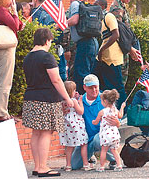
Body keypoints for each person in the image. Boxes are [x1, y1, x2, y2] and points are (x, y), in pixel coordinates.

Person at [22, 28, 74, 177]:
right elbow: (56, 80)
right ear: (46, 40)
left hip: (30, 97)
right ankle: (43, 167)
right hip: (46, 99)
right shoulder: (46, 57)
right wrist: (67, 98)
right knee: (46, 132)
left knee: (36, 133)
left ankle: (37, 166)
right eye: (50, 41)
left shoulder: (28, 58)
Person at [71, 74, 119, 170]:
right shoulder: (79, 101)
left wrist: (117, 123)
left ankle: (113, 159)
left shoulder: (105, 99)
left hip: (101, 135)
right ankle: (91, 158)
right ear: (84, 87)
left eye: (96, 87)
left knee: (100, 139)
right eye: (90, 87)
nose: (94, 90)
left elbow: (118, 121)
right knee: (74, 165)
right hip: (85, 139)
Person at [94, 8, 128, 109]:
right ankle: (107, 109)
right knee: (103, 84)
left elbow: (115, 34)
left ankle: (123, 111)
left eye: (96, 5)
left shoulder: (109, 16)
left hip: (112, 58)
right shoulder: (102, 21)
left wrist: (101, 50)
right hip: (104, 58)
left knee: (117, 86)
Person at [67, 0, 98, 94]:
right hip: (92, 43)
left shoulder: (75, 4)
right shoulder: (84, 5)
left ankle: (83, 101)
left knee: (81, 75)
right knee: (88, 74)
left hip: (84, 43)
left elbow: (75, 20)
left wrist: (60, 25)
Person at [59, 81, 92, 172]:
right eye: (74, 90)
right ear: (72, 91)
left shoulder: (62, 101)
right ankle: (86, 164)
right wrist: (80, 101)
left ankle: (68, 165)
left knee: (69, 146)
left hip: (67, 126)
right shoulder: (73, 101)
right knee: (83, 144)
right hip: (77, 126)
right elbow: (80, 111)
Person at [110, 0, 138, 86]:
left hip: (123, 48)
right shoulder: (117, 8)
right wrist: (129, 48)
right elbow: (118, 32)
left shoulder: (121, 5)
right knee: (120, 81)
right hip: (120, 49)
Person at [92, 89, 125, 172]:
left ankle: (102, 166)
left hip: (106, 135)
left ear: (105, 101)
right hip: (115, 135)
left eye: (102, 101)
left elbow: (96, 122)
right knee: (114, 150)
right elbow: (120, 116)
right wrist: (122, 107)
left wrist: (93, 121)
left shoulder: (102, 112)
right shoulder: (115, 110)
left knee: (103, 150)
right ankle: (119, 165)